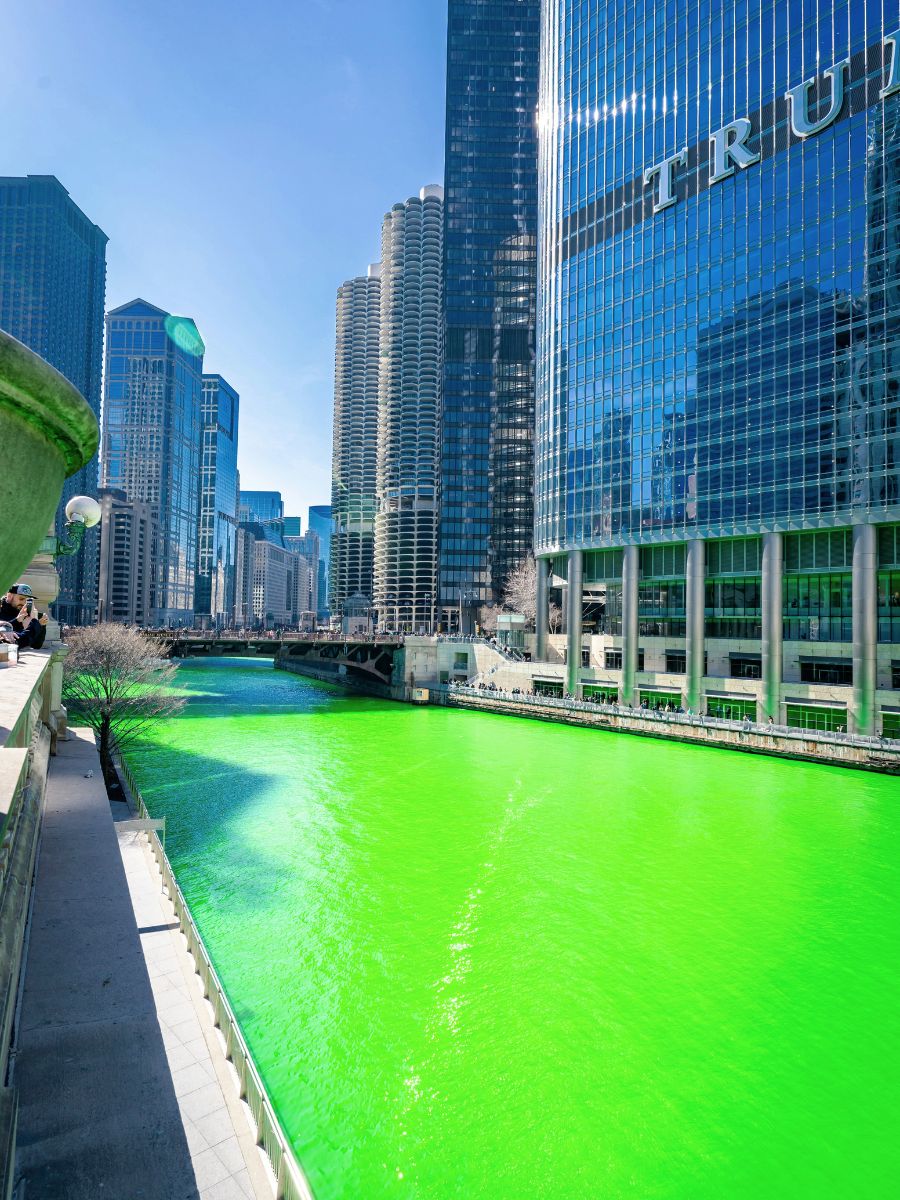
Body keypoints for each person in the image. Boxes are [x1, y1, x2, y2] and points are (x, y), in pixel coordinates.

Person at [0, 584, 48, 650]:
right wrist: (35, 624)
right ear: (9, 596)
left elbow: (37, 645)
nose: (24, 603)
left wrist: (41, 625)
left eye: (28, 601)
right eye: (21, 599)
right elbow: (16, 640)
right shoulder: (1, 610)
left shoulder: (26, 614)